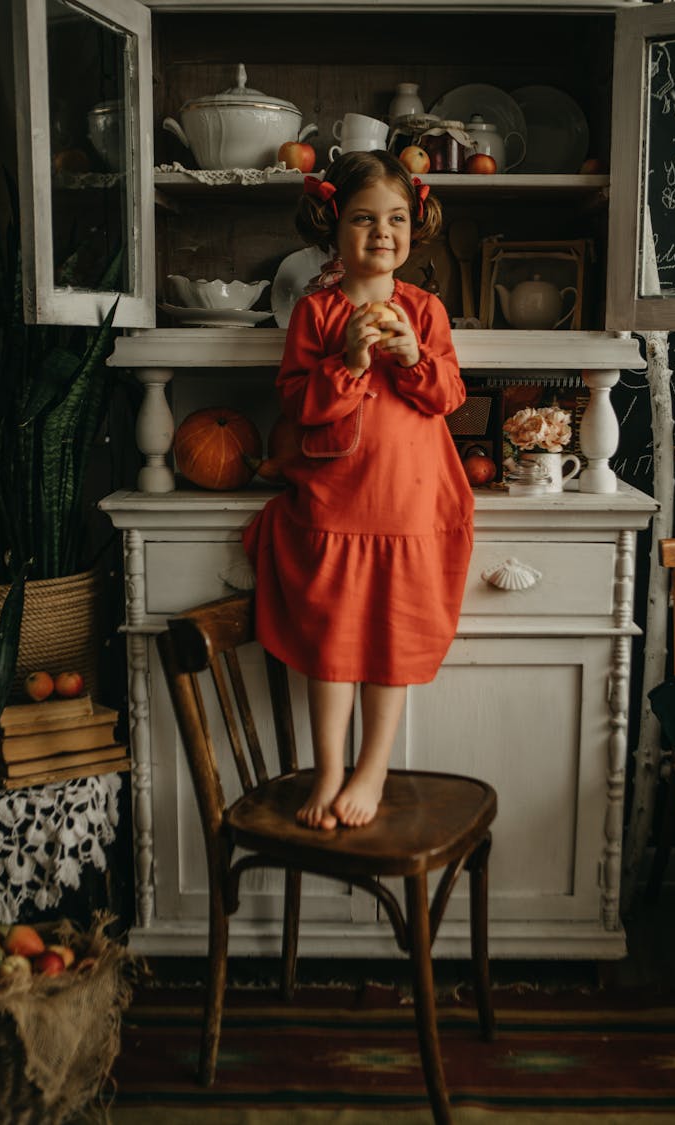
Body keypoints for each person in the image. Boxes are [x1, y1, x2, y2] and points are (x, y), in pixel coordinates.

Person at [243, 150, 474, 830]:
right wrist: (348, 360)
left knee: (392, 642)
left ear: (415, 227)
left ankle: (372, 765)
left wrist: (411, 357)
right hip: (336, 505)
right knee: (332, 644)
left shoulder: (425, 310)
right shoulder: (315, 313)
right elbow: (298, 407)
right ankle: (329, 767)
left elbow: (449, 397)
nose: (383, 233)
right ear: (332, 225)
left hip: (406, 506)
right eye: (364, 219)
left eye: (397, 219)